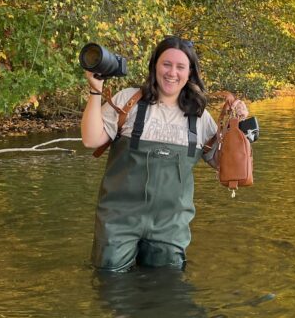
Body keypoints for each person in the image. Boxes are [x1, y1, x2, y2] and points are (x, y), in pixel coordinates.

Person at [81, 36, 248, 272]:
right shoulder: (128, 100)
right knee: (110, 285)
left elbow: (225, 166)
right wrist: (95, 91)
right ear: (155, 66)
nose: (172, 73)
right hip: (118, 222)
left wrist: (236, 126)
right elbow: (90, 140)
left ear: (190, 72)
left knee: (166, 292)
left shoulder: (200, 116)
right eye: (166, 64)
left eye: (180, 67)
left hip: (171, 227)